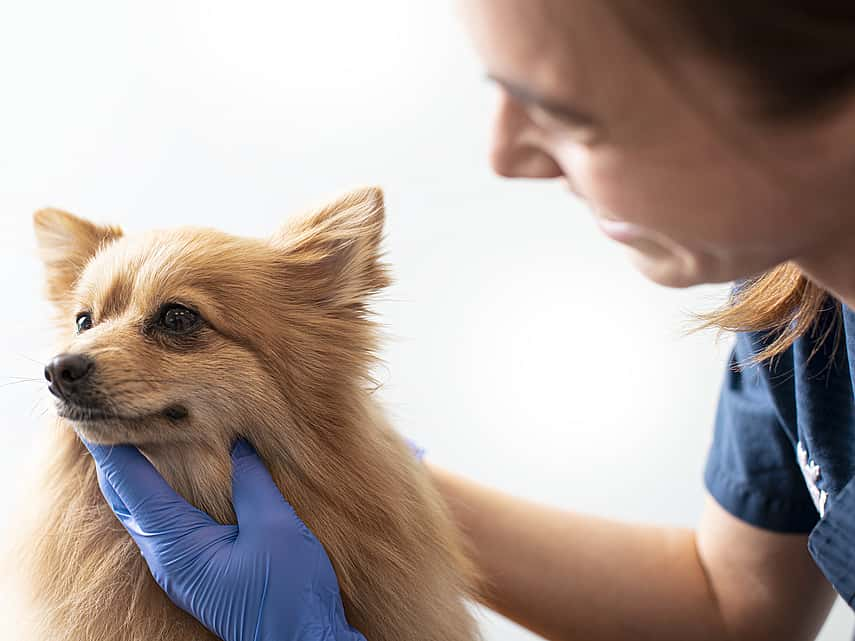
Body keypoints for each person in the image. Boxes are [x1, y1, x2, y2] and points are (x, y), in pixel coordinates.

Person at [84, 2, 855, 640]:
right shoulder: (795, 311)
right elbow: (729, 607)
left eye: (566, 111)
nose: (505, 154)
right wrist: (348, 473)